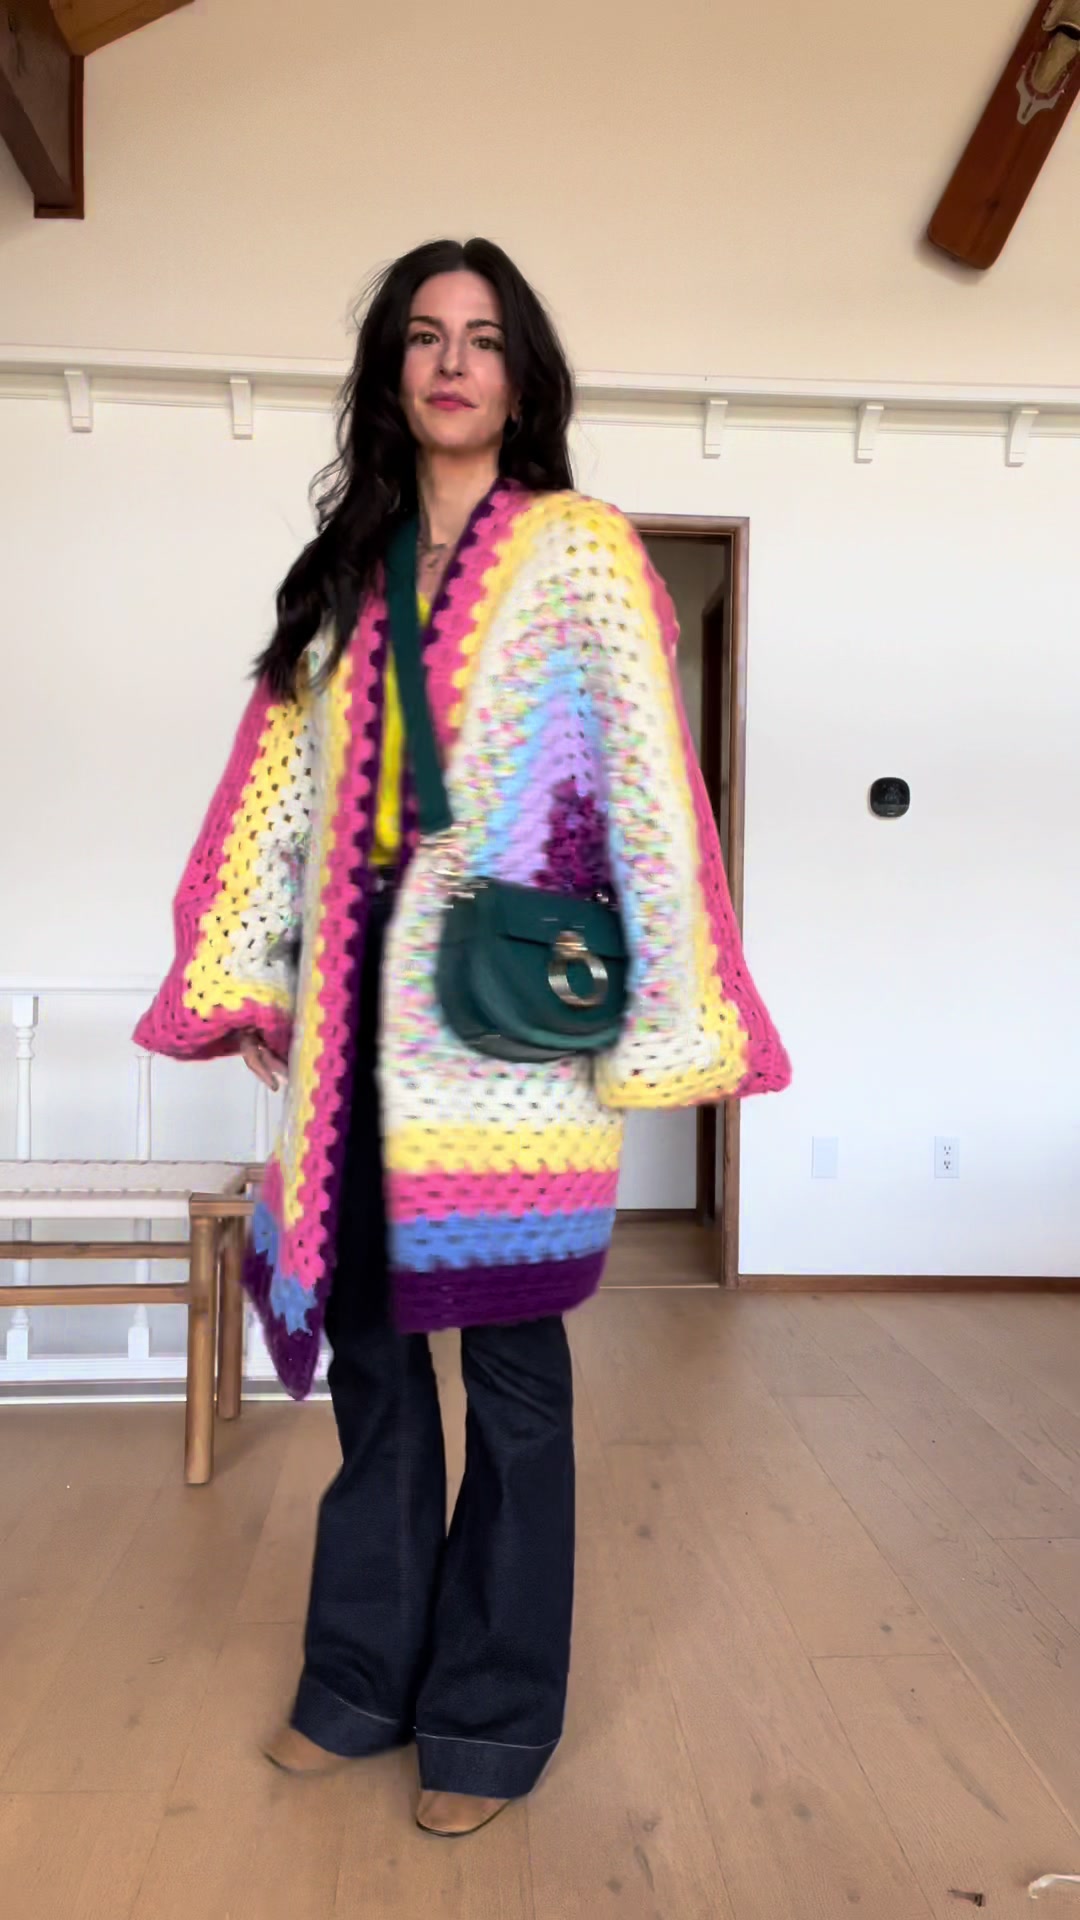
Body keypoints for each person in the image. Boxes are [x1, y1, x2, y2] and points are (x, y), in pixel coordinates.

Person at [135, 237, 790, 1837]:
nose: (451, 362)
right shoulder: (343, 569)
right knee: (371, 1370)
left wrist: (665, 1015)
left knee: (511, 1378)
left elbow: (650, 792)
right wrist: (251, 976)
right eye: (425, 335)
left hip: (503, 1036)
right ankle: (360, 1684)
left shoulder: (581, 552)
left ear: (520, 376)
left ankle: (489, 1724)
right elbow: (273, 791)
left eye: (483, 338)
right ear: (390, 368)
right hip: (348, 1039)